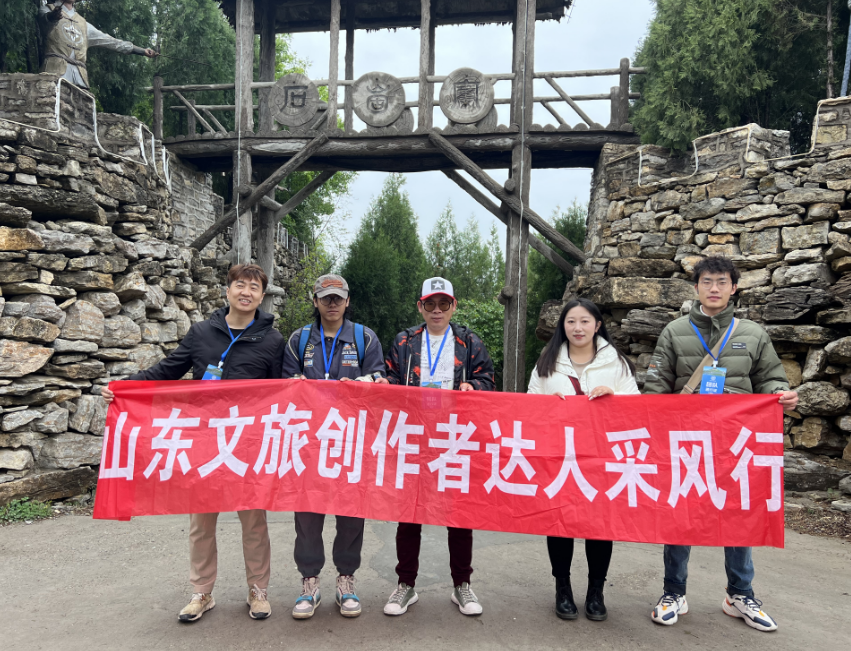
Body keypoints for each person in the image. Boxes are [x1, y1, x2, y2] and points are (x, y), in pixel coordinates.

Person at [101, 264, 283, 623]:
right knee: (201, 523)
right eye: (240, 285)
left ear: (262, 296)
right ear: (227, 290)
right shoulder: (202, 333)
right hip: (205, 442)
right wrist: (126, 387)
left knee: (254, 522)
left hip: (248, 443)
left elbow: (282, 391)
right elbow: (167, 370)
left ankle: (258, 590)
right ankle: (202, 592)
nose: (246, 292)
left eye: (254, 287)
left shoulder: (272, 340)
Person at [643, 256, 798, 632]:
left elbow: (770, 378)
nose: (714, 288)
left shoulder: (753, 334)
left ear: (734, 287)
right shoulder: (675, 331)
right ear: (696, 287)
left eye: (722, 282)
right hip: (687, 439)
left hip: (736, 440)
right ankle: (674, 592)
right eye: (707, 281)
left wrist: (781, 393)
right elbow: (656, 386)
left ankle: (740, 594)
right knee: (681, 514)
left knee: (738, 513)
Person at [382, 277, 495, 617]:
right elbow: (389, 379)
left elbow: (488, 379)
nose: (436, 310)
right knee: (409, 514)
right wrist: (378, 383)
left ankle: (462, 584)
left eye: (443, 303)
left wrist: (473, 387)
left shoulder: (469, 341)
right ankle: (406, 584)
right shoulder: (404, 341)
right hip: (413, 435)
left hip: (454, 436)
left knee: (459, 515)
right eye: (430, 303)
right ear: (420, 306)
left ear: (453, 306)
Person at [280, 274, 387, 620]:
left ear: (347, 300)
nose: (332, 303)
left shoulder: (364, 338)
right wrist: (295, 384)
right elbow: (284, 385)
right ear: (315, 301)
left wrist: (366, 383)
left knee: (351, 513)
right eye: (325, 297)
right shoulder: (299, 339)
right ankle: (309, 582)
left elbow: (380, 379)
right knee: (307, 516)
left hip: (351, 441)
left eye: (338, 297)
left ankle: (346, 580)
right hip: (308, 443)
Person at [527, 297, 639, 622]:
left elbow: (637, 406)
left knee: (600, 525)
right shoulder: (548, 361)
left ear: (597, 325)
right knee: (559, 524)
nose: (578, 328)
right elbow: (529, 404)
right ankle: (562, 588)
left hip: (603, 457)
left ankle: (596, 591)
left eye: (585, 321)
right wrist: (547, 404)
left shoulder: (615, 362)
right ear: (563, 326)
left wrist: (614, 398)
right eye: (571, 321)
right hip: (560, 457)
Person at [38, 1, 158, 90]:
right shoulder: (47, 9)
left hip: (80, 79)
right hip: (53, 73)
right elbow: (44, 22)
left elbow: (112, 42)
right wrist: (52, 17)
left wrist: (141, 51)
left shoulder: (83, 24)